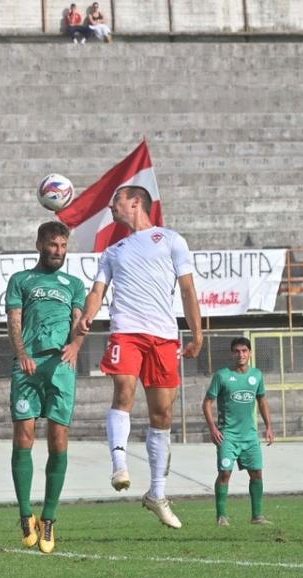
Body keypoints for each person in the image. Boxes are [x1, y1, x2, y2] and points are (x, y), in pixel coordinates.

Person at [77, 185, 202, 529]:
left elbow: (188, 289)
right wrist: (88, 314)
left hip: (163, 337)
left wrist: (197, 333)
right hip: (127, 331)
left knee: (163, 414)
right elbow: (97, 291)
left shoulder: (171, 239)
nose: (110, 205)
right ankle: (119, 465)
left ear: (135, 203)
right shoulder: (112, 251)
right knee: (124, 391)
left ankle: (157, 494)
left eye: (115, 200)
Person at [5, 221, 86, 553]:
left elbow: (79, 322)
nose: (58, 251)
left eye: (63, 246)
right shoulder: (21, 280)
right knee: (24, 437)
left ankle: (49, 518)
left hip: (61, 367)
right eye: (53, 245)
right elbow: (14, 321)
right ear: (39, 244)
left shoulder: (74, 284)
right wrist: (22, 353)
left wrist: (76, 345)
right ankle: (26, 513)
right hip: (28, 366)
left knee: (58, 441)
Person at [202, 338, 274, 526]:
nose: (240, 354)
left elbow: (262, 401)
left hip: (250, 436)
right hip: (228, 436)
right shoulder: (222, 376)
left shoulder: (256, 375)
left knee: (256, 473)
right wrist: (213, 428)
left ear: (250, 353)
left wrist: (269, 426)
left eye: (244, 351)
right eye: (237, 351)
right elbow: (207, 402)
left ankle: (257, 516)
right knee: (225, 473)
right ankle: (222, 516)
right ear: (231, 354)